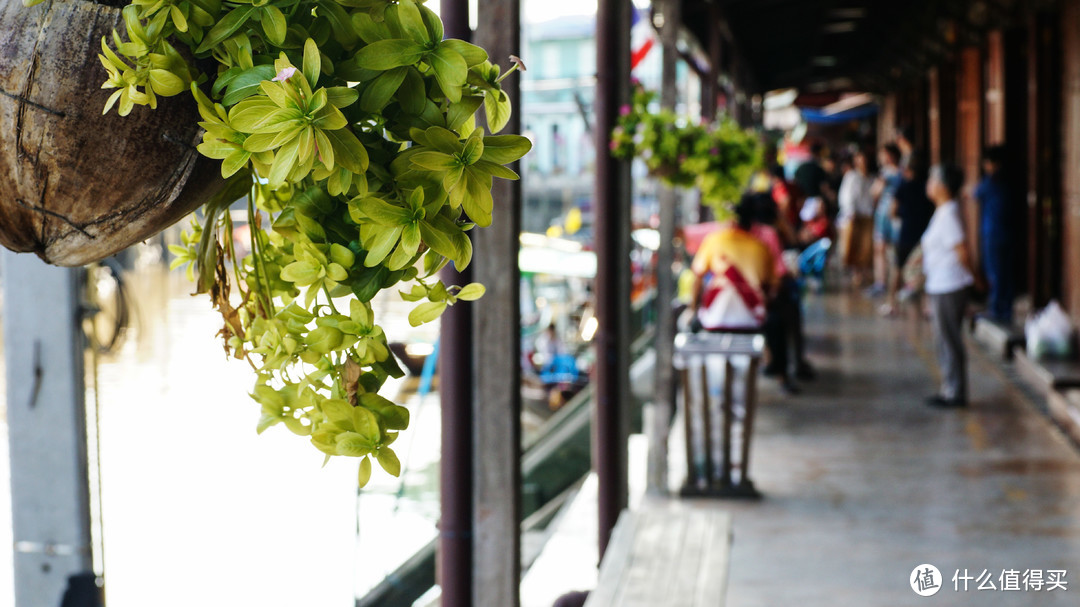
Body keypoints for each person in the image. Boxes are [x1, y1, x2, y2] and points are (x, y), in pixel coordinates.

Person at [923, 164, 978, 408]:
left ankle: (955, 393)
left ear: (943, 187)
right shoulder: (943, 211)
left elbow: (962, 252)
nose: (929, 185)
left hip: (950, 284)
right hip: (940, 283)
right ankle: (949, 388)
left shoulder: (948, 215)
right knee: (944, 340)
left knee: (950, 340)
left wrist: (976, 279)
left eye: (932, 180)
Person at [750, 193, 814, 389]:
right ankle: (786, 370)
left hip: (752, 294)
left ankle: (777, 365)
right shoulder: (770, 233)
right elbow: (780, 270)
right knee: (786, 318)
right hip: (770, 293)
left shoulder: (747, 232)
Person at [690, 196, 775, 332]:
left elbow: (697, 279)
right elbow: (772, 288)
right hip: (752, 322)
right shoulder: (761, 248)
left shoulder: (714, 240)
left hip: (714, 321)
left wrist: (692, 311)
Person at [975, 145, 1014, 323]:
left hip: (992, 232)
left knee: (995, 272)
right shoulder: (1007, 180)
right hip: (1006, 230)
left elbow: (976, 193)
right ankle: (1004, 307)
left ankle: (997, 309)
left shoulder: (991, 181)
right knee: (1005, 271)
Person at [891, 153, 935, 309]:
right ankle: (926, 307)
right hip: (924, 232)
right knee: (924, 270)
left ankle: (892, 304)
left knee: (898, 268)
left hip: (906, 232)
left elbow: (893, 210)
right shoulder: (927, 186)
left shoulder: (903, 186)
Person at [869, 144, 903, 302]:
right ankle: (881, 282)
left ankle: (892, 284)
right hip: (884, 213)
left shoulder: (900, 172)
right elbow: (874, 192)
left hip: (894, 214)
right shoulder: (885, 173)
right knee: (881, 248)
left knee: (893, 250)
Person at [837, 150, 876, 285]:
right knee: (853, 245)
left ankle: (865, 272)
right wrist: (850, 211)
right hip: (855, 216)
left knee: (866, 246)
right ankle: (857, 273)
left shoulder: (872, 177)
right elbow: (846, 197)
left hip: (868, 215)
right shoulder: (852, 176)